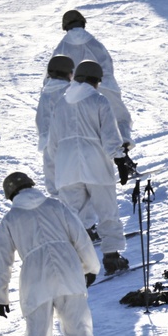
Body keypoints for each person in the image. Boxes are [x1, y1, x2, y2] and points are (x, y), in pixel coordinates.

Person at [0, 172, 100, 336]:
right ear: (31, 185)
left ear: (11, 195)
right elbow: (80, 237)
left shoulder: (10, 219)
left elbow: (0, 260)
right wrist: (91, 267)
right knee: (78, 330)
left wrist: (0, 296)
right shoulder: (55, 206)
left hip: (35, 279)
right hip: (68, 272)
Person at [46, 60, 136, 274]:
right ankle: (112, 257)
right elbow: (110, 137)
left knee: (73, 218)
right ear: (95, 81)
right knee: (107, 211)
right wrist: (120, 159)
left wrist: (57, 170)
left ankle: (77, 263)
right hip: (96, 166)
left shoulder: (60, 104)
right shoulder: (99, 100)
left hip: (67, 169)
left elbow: (52, 146)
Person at [36, 55, 98, 241]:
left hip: (48, 150)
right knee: (83, 188)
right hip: (69, 147)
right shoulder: (70, 92)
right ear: (69, 73)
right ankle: (84, 230)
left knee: (59, 191)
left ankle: (64, 229)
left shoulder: (45, 93)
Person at [52, 9, 134, 150]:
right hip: (104, 86)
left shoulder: (62, 47)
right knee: (119, 119)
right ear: (83, 23)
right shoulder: (95, 43)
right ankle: (124, 155)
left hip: (76, 93)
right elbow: (107, 65)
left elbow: (55, 75)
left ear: (65, 26)